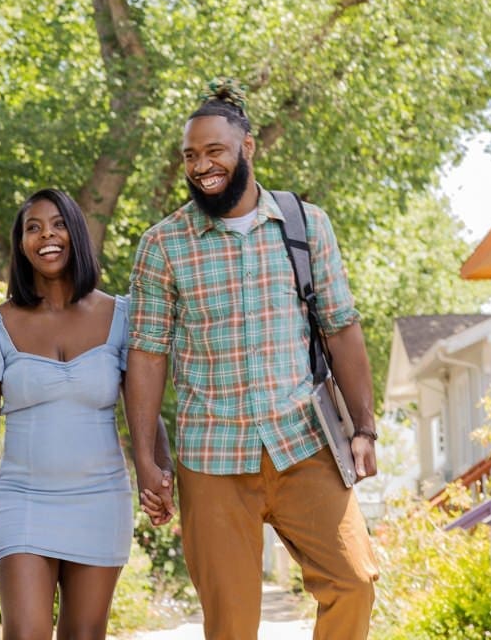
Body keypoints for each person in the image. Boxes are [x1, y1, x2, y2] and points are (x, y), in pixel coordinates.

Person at [124, 79, 380, 640]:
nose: (201, 165)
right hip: (210, 456)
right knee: (231, 624)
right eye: (190, 155)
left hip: (303, 442)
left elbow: (340, 327)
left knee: (354, 580)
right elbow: (146, 356)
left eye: (214, 151)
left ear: (247, 148)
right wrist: (146, 457)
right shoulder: (163, 245)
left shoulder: (306, 226)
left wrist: (364, 428)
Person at [0, 187, 171, 640]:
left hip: (101, 499)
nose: (46, 235)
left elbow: (145, 409)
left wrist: (159, 471)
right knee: (27, 633)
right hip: (24, 498)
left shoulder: (122, 316)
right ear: (21, 245)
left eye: (56, 224)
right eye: (32, 228)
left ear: (75, 233)